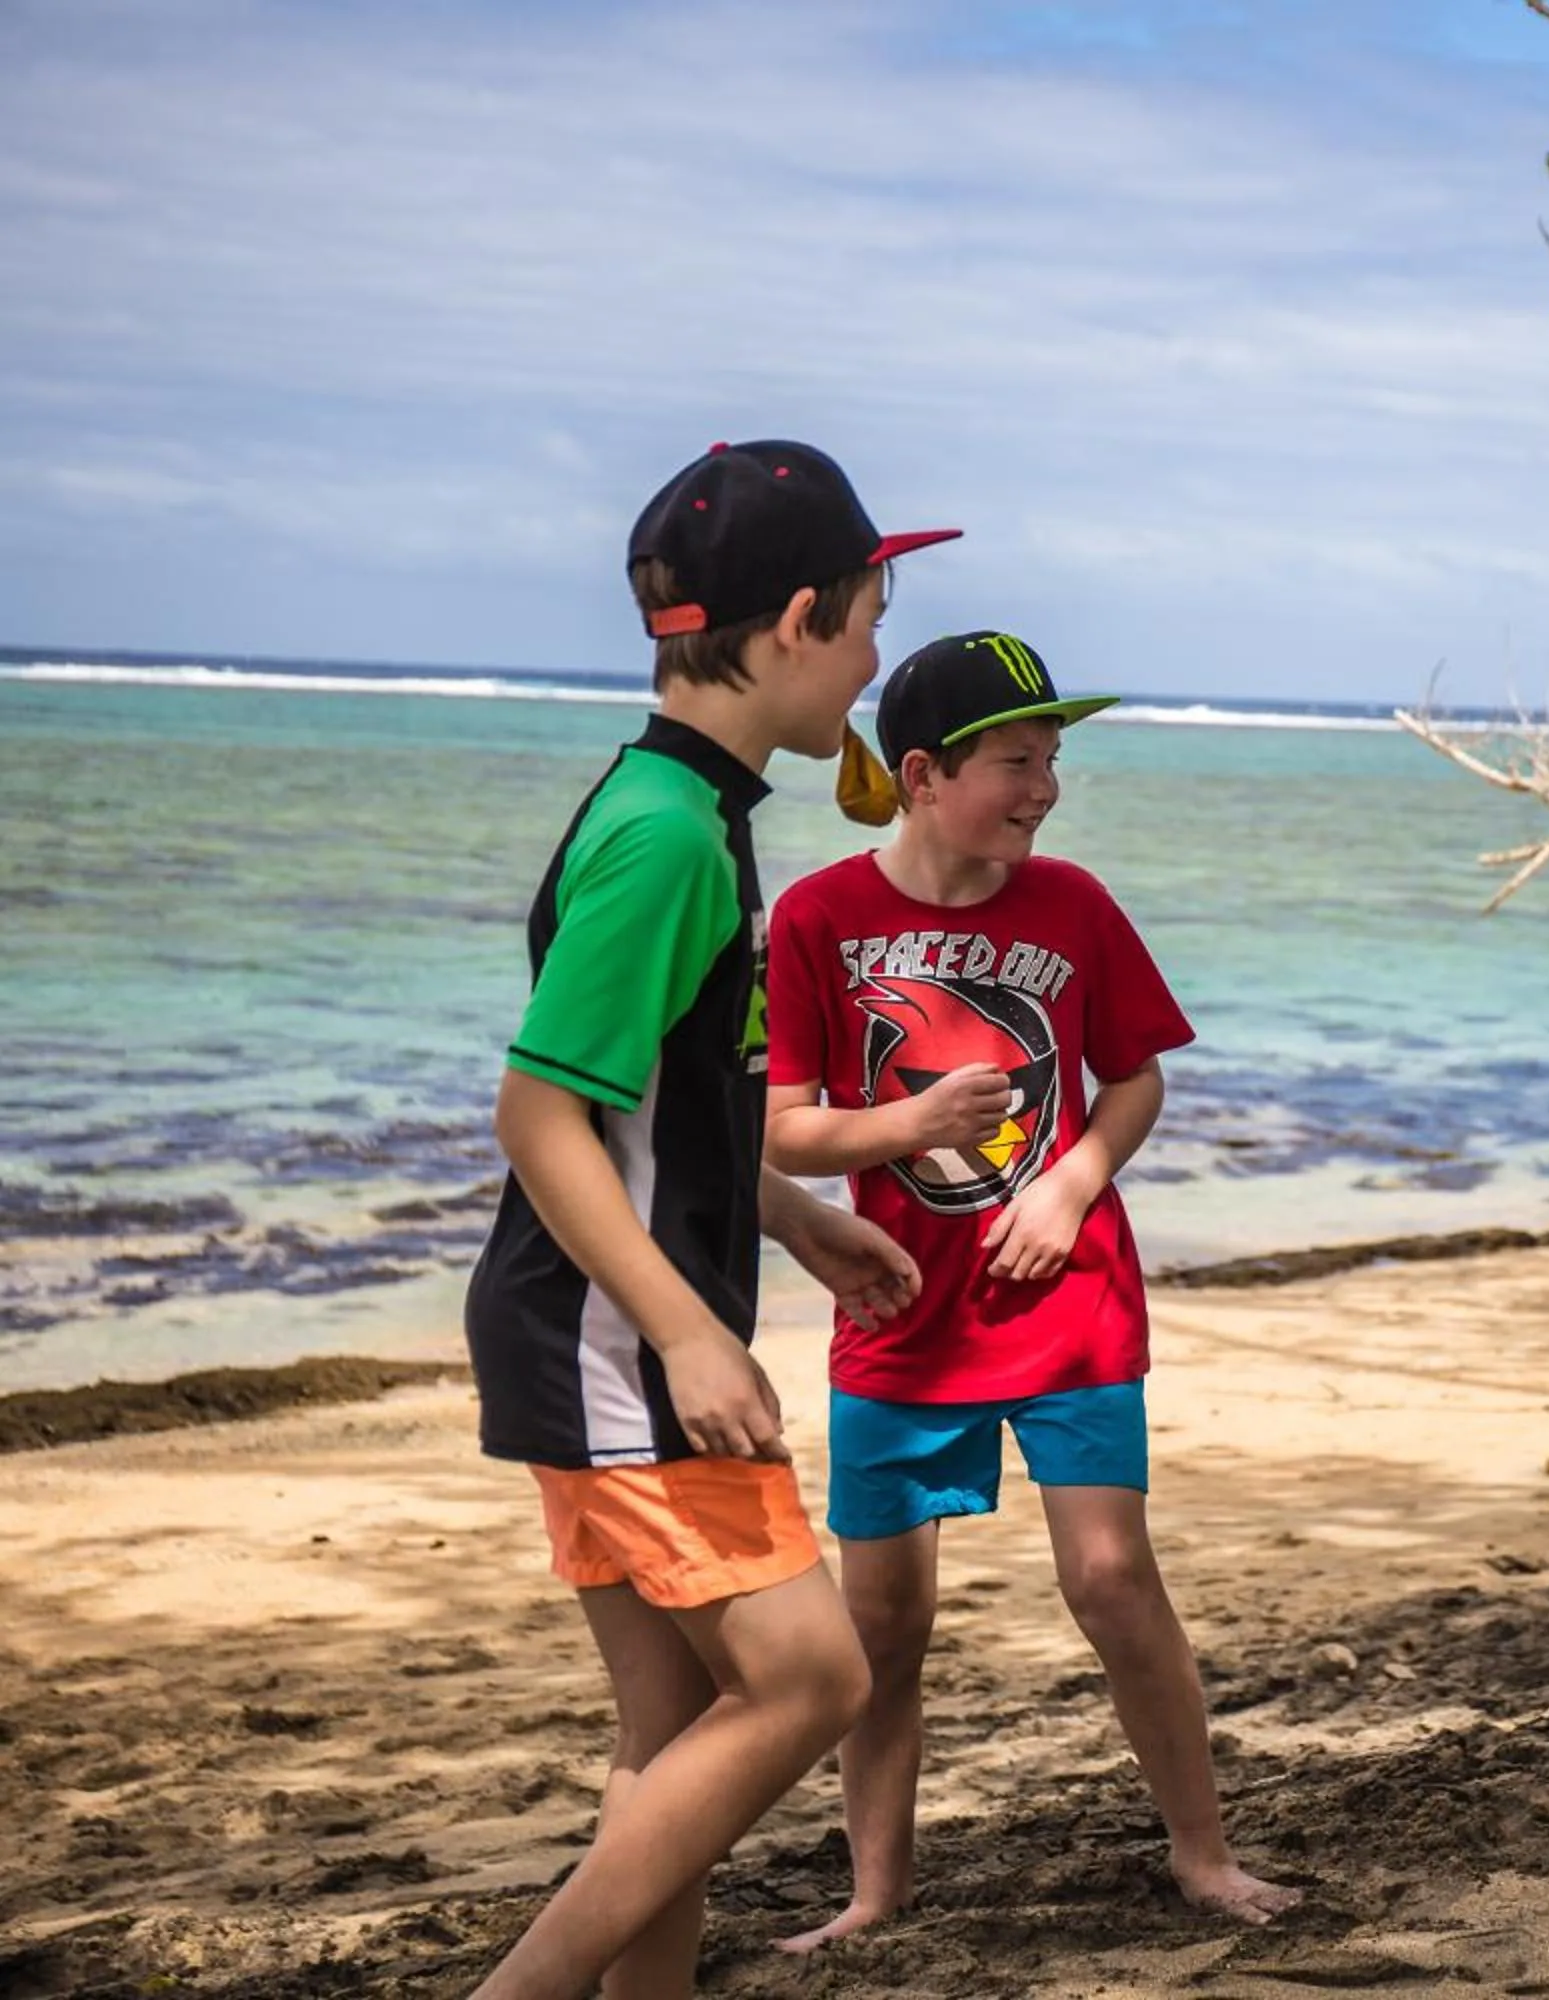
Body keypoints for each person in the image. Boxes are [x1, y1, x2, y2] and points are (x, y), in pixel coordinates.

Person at [461, 439, 953, 2000]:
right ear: (799, 619)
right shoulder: (671, 838)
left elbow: (649, 1107)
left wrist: (792, 1217)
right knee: (813, 1676)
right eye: (872, 618)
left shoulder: (689, 809)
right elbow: (540, 1114)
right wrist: (684, 1332)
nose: (878, 659)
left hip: (593, 1330)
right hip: (614, 1340)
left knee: (673, 1735)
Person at [761, 630, 1301, 1948]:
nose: (1044, 788)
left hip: (1071, 1299)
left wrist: (1071, 1181)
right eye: (1018, 761)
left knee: (1112, 1582)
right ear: (926, 771)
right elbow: (778, 1127)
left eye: (1053, 761)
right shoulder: (819, 919)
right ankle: (876, 1890)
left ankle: (1203, 1855)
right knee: (883, 1621)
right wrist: (908, 1127)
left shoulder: (1073, 906)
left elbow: (1134, 1077)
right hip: (899, 1312)